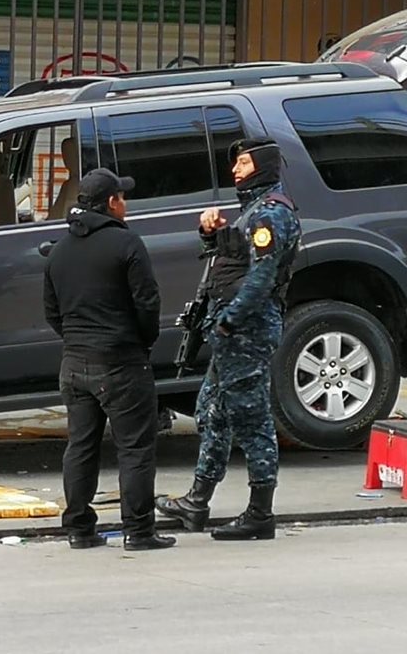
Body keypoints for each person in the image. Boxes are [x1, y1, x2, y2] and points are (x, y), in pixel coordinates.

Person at [156, 137, 302, 542]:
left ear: (263, 166)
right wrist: (211, 234)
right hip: (232, 333)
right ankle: (197, 500)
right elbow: (233, 263)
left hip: (246, 332)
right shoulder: (253, 212)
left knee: (252, 419)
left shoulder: (271, 214)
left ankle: (260, 513)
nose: (235, 170)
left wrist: (229, 321)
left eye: (243, 163)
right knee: (212, 412)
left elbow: (262, 276)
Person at [43, 168, 175, 552]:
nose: (125, 204)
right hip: (120, 361)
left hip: (74, 362)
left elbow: (52, 311)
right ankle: (139, 531)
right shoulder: (126, 244)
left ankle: (79, 529)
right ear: (112, 202)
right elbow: (148, 303)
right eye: (122, 197)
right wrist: (140, 342)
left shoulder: (59, 251)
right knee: (134, 448)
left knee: (81, 445)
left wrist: (76, 338)